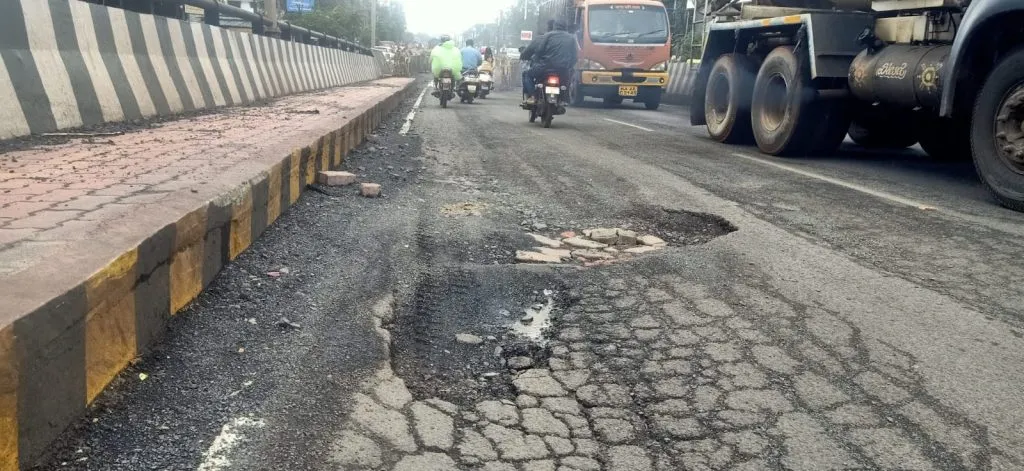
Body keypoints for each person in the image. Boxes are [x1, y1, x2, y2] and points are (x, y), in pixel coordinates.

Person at [520, 19, 577, 105]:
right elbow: (574, 56)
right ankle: (564, 99)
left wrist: (538, 59)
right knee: (567, 81)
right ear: (566, 27)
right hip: (563, 69)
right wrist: (569, 66)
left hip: (545, 67)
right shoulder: (572, 38)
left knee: (527, 74)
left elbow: (540, 50)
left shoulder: (548, 36)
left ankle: (532, 96)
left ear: (554, 26)